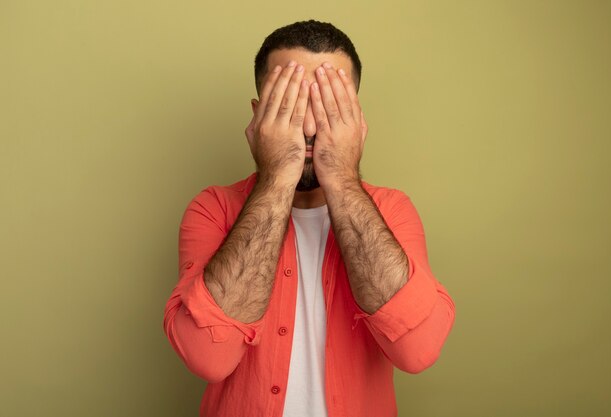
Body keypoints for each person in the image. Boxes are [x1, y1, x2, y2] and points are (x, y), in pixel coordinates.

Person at [163, 20, 455, 417]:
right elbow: (209, 357)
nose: (312, 127)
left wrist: (341, 176)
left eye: (330, 107)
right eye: (290, 106)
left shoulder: (393, 210)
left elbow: (416, 350)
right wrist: (278, 173)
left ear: (356, 117)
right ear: (257, 115)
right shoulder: (213, 209)